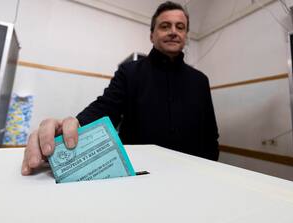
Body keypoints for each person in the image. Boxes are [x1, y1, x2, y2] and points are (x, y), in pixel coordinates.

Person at [21, 1, 219, 176]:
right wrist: (71, 128)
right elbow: (105, 108)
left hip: (190, 177)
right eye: (165, 26)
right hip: (139, 174)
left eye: (180, 27)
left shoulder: (200, 81)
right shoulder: (129, 72)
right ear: (152, 35)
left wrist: (207, 172)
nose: (173, 31)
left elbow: (210, 136)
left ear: (185, 36)